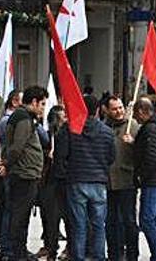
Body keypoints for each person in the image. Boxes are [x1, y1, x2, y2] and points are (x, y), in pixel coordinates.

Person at [56, 94, 116, 261]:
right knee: (98, 225)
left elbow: (61, 155)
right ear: (98, 110)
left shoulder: (71, 128)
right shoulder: (107, 132)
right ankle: (98, 257)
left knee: (79, 225)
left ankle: (78, 257)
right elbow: (112, 157)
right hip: (99, 182)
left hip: (77, 180)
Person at [0, 86, 46, 261]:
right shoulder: (23, 118)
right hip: (23, 175)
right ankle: (14, 253)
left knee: (22, 215)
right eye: (41, 103)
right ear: (33, 102)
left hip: (27, 174)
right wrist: (7, 163)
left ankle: (18, 250)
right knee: (19, 216)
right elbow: (17, 147)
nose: (42, 107)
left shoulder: (25, 117)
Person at [133, 97, 156, 261]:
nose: (134, 118)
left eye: (136, 113)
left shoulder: (151, 130)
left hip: (153, 182)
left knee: (146, 220)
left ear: (142, 111)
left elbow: (151, 157)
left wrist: (142, 176)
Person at [103, 95, 140, 261]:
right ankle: (114, 255)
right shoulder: (103, 127)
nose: (118, 111)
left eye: (120, 107)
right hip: (108, 183)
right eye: (114, 109)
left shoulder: (132, 125)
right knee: (111, 222)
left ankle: (132, 254)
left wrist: (134, 143)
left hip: (127, 181)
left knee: (129, 221)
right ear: (107, 110)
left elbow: (144, 152)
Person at [0, 91, 22, 258]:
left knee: (10, 209)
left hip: (12, 169)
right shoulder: (4, 121)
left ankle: (8, 244)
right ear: (15, 102)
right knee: (4, 208)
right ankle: (2, 243)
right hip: (4, 170)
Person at [40, 105, 69, 261]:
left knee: (68, 218)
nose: (63, 120)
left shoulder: (69, 135)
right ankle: (50, 248)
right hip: (49, 182)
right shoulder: (46, 135)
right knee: (51, 219)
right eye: (60, 117)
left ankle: (68, 248)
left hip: (64, 181)